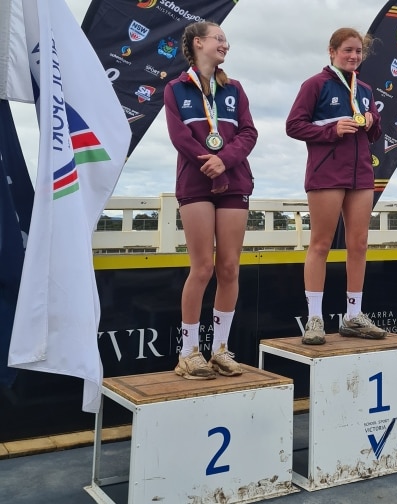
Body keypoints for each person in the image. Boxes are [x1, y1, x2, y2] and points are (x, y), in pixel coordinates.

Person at [164, 21, 258, 378]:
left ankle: (220, 349)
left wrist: (226, 160)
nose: (225, 45)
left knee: (230, 268)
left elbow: (249, 132)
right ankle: (188, 351)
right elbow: (179, 136)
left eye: (226, 40)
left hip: (233, 180)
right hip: (196, 181)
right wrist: (210, 162)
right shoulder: (175, 88)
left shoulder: (234, 89)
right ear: (198, 43)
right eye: (219, 39)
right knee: (202, 267)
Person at [286, 28, 386, 345]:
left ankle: (353, 315)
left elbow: (374, 135)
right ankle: (314, 318)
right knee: (321, 244)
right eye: (347, 50)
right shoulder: (315, 85)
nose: (354, 56)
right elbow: (293, 125)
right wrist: (331, 129)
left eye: (358, 51)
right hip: (326, 173)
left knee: (358, 244)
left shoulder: (366, 89)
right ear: (332, 51)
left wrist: (373, 122)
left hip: (360, 174)